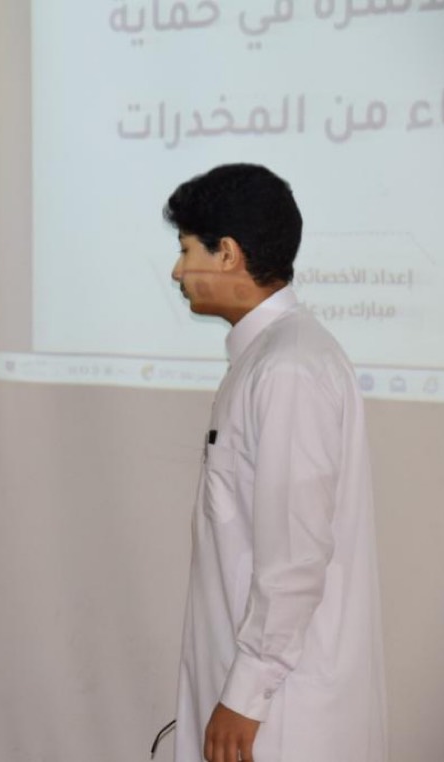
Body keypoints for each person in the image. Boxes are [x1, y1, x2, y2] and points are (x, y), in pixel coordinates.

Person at [165, 165, 386, 762]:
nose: (177, 271)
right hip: (259, 690)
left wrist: (246, 695)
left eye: (186, 250)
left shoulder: (288, 368)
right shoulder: (271, 356)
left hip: (281, 710)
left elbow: (295, 555)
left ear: (227, 253)